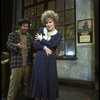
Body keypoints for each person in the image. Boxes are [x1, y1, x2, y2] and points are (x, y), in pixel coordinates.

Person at [30, 10, 62, 100]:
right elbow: (35, 44)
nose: (48, 24)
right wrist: (44, 47)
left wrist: (41, 39)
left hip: (50, 60)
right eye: (46, 22)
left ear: (54, 22)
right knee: (39, 80)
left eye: (50, 22)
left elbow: (52, 45)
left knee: (50, 81)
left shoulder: (58, 35)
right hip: (39, 59)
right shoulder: (41, 30)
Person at [6, 18, 33, 100]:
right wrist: (16, 46)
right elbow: (8, 44)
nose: (25, 28)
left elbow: (32, 48)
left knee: (26, 85)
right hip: (17, 64)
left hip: (27, 65)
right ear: (20, 26)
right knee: (14, 86)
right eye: (23, 26)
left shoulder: (29, 36)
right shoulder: (13, 34)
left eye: (27, 26)